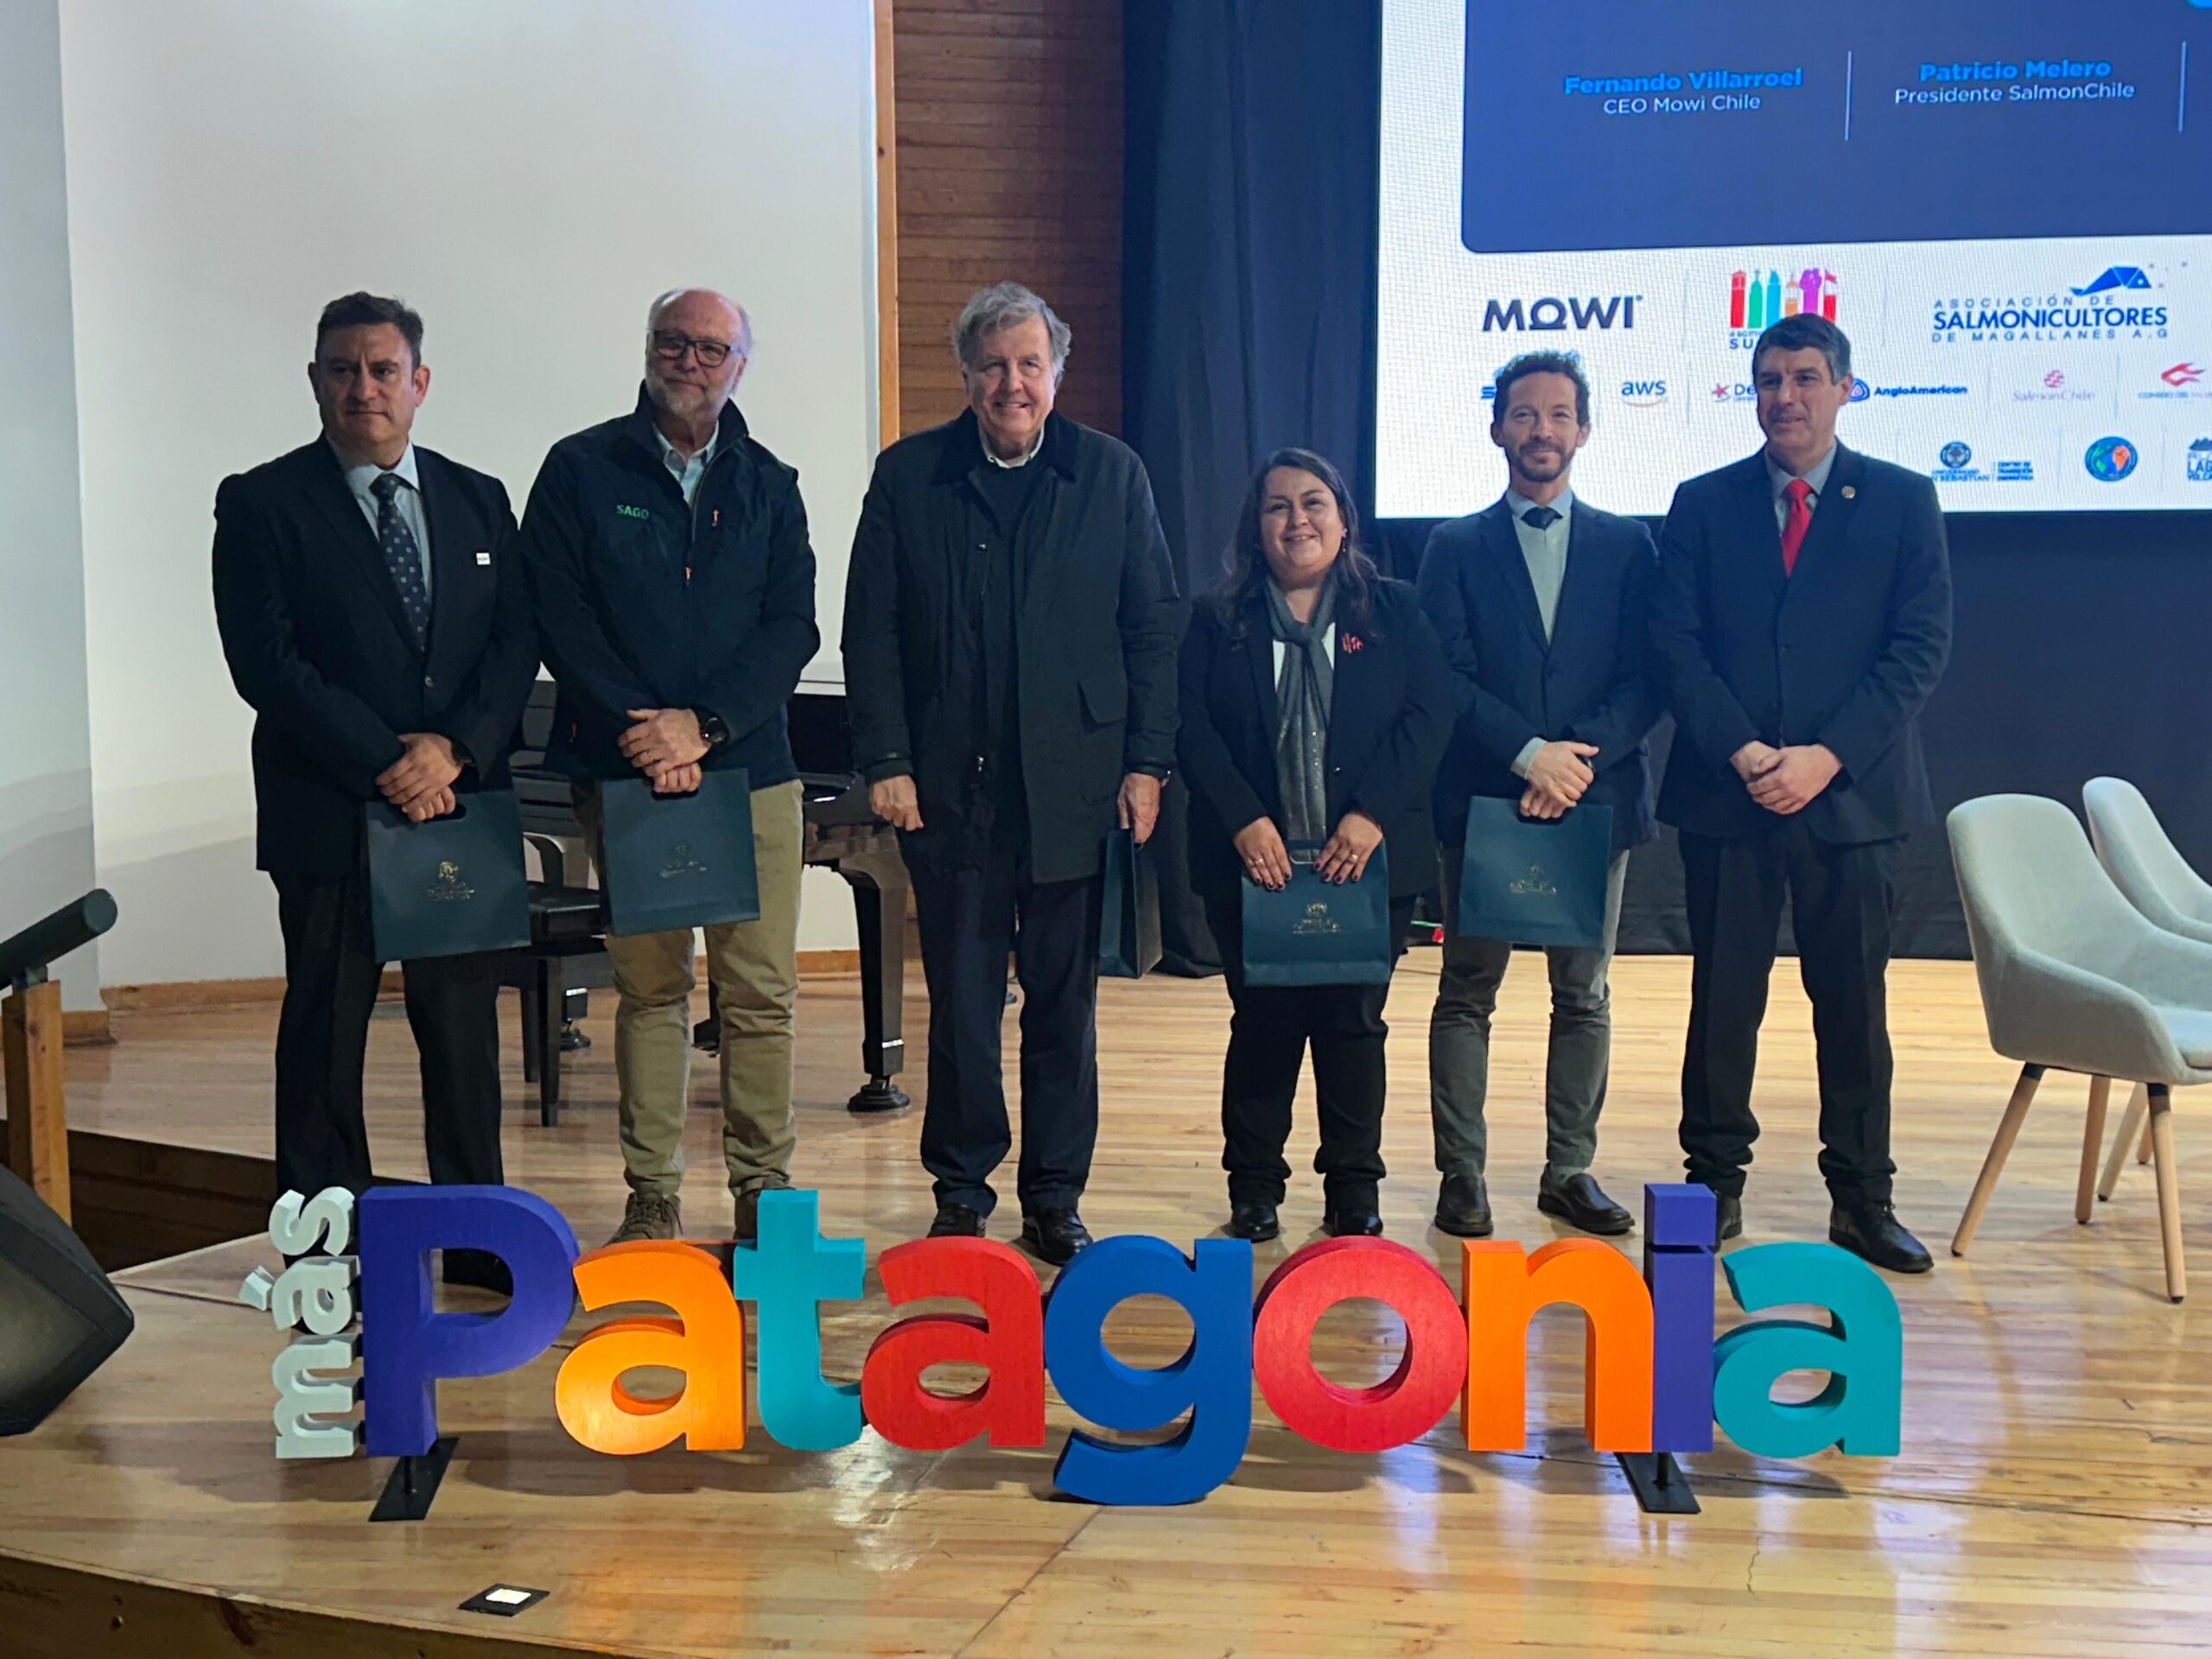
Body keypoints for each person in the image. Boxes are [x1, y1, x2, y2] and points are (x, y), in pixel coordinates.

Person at [842, 282, 1180, 1264]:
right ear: (965, 374)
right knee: (961, 1006)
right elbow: (872, 631)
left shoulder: (1112, 475)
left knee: (1065, 1008)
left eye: (1031, 364)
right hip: (949, 792)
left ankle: (1054, 1196)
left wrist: (1147, 762)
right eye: (993, 365)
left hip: (1074, 788)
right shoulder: (908, 477)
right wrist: (886, 761)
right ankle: (960, 1188)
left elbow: (1153, 628)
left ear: (1057, 372)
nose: (1012, 384)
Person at [212, 292, 536, 1286]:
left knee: (463, 1039)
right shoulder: (261, 503)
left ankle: (477, 1240)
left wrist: (456, 752)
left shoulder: (479, 498)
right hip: (329, 808)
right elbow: (266, 665)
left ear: (419, 383)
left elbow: (515, 641)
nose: (364, 389)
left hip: (455, 809)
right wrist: (388, 761)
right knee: (325, 1033)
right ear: (315, 382)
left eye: (383, 370)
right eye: (343, 370)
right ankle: (326, 1249)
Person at [1649, 314, 1952, 1274]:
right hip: (1727, 795)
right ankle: (1711, 1187)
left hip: (1851, 803)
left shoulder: (1903, 500)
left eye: (1806, 378)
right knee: (1721, 1002)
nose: (1785, 397)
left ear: (1845, 388)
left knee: (1853, 1009)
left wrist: (1827, 757)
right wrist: (1743, 750)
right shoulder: (1702, 504)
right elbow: (1676, 646)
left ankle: (1861, 1200)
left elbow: (1919, 649)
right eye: (1769, 380)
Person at [520, 288, 818, 1246]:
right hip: (625, 767)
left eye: (711, 348)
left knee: (759, 994)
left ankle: (763, 1191)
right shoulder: (578, 469)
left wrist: (707, 728)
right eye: (673, 343)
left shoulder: (771, 484)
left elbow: (791, 628)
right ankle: (651, 1196)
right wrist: (647, 733)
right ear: (649, 350)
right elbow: (559, 615)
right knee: (651, 989)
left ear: (741, 365)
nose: (690, 361)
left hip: (750, 769)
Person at [1178, 448, 1453, 1242]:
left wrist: (1370, 816)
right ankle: (1254, 1188)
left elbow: (1430, 714)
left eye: (1313, 503)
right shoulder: (1215, 620)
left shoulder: (1394, 609)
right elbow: (1190, 727)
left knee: (1353, 1025)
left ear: (1342, 520)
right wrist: (1243, 819)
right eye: (1278, 507)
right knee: (1262, 1023)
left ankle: (1353, 1191)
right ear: (1254, 528)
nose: (1297, 520)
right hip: (1252, 864)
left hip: (1365, 861)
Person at [1417, 353, 1660, 1240]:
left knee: (1583, 995)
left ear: (1583, 430)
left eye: (1559, 415)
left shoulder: (1630, 546)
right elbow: (1441, 674)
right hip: (1487, 800)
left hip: (1593, 801)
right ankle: (1462, 1176)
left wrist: (1574, 762)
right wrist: (1528, 756)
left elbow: (1649, 674)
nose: (1541, 430)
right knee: (1466, 992)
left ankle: (1569, 1171)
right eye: (1524, 414)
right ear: (1497, 429)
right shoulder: (1453, 546)